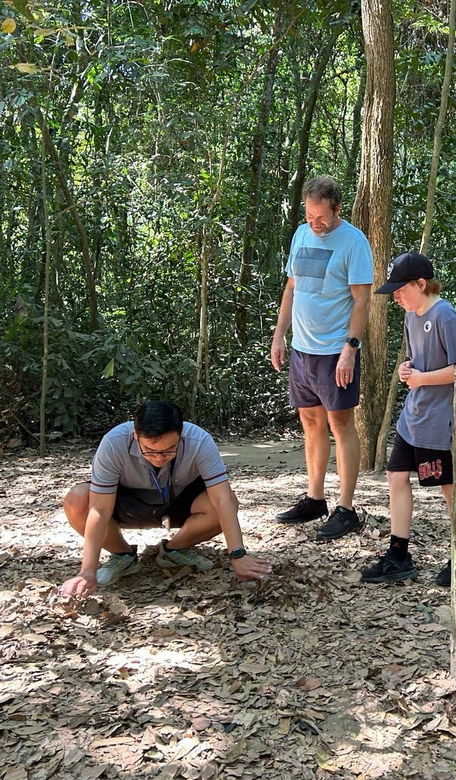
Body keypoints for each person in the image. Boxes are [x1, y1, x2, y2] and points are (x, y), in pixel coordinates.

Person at [60, 400, 272, 596]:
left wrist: (238, 555)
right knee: (77, 500)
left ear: (181, 434)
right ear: (136, 436)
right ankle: (123, 555)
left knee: (228, 502)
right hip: (128, 504)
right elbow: (100, 509)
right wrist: (87, 570)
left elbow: (223, 500)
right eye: (149, 451)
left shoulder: (199, 440)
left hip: (179, 503)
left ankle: (174, 550)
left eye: (169, 450)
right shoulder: (114, 442)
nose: (159, 458)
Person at [271, 175, 373, 540]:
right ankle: (315, 498)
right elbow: (292, 287)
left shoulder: (353, 242)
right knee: (310, 422)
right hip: (303, 350)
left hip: (335, 352)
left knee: (340, 424)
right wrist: (280, 334)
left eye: (322, 218)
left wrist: (351, 347)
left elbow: (362, 299)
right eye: (310, 216)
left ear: (337, 208)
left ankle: (346, 508)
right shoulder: (301, 234)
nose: (315, 224)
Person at [361, 252, 456, 585]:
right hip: (412, 416)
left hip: (439, 421)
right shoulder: (411, 315)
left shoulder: (445, 315)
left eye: (400, 290)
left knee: (449, 488)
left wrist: (421, 378)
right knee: (396, 478)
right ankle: (398, 554)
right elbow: (413, 360)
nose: (396, 297)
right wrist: (406, 369)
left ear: (421, 284)